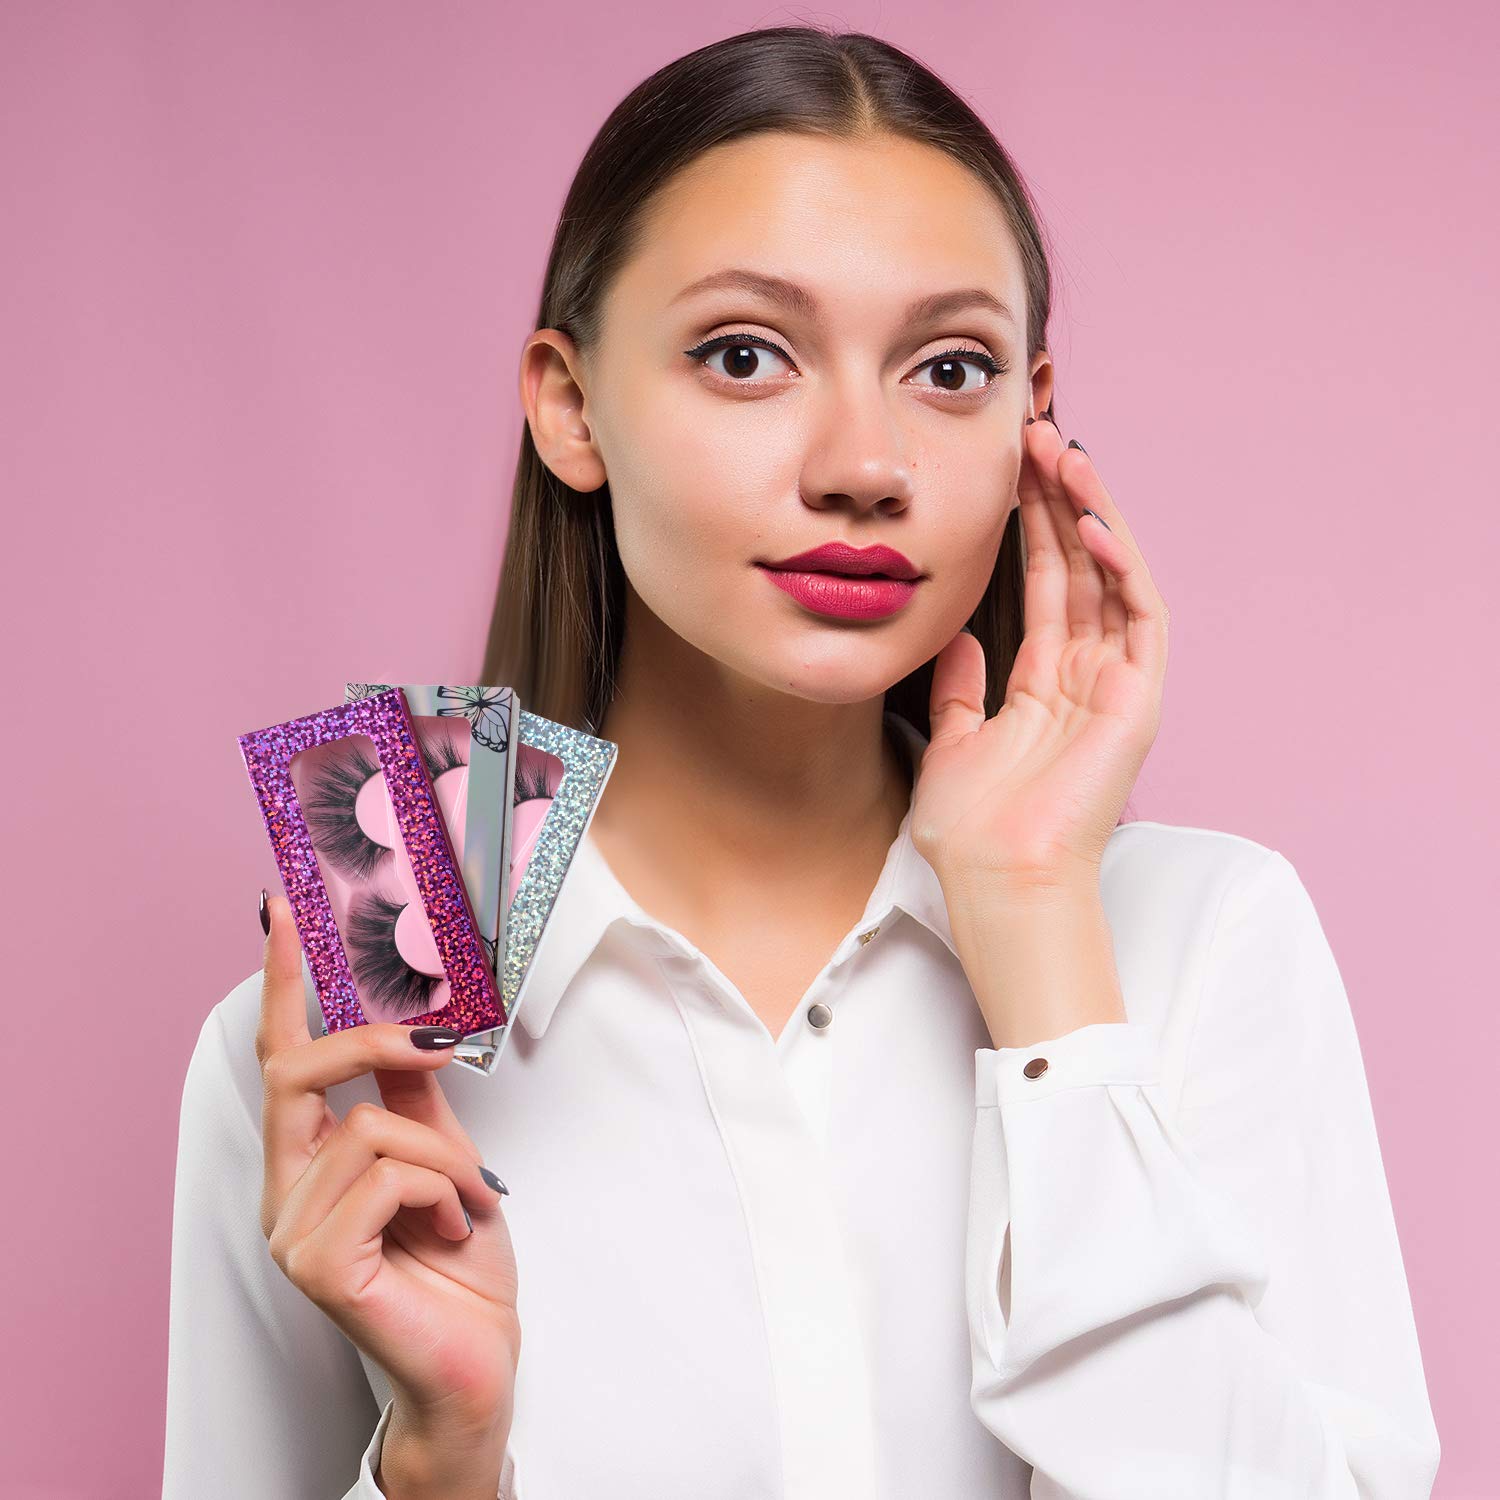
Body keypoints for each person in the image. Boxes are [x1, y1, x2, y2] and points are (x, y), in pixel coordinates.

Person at [163, 25, 1442, 1500]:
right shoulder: (339, 1044)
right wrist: (441, 1467)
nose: (864, 460)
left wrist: (1035, 949)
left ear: (1033, 418)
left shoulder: (1204, 941)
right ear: (571, 407)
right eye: (746, 354)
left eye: (949, 368)